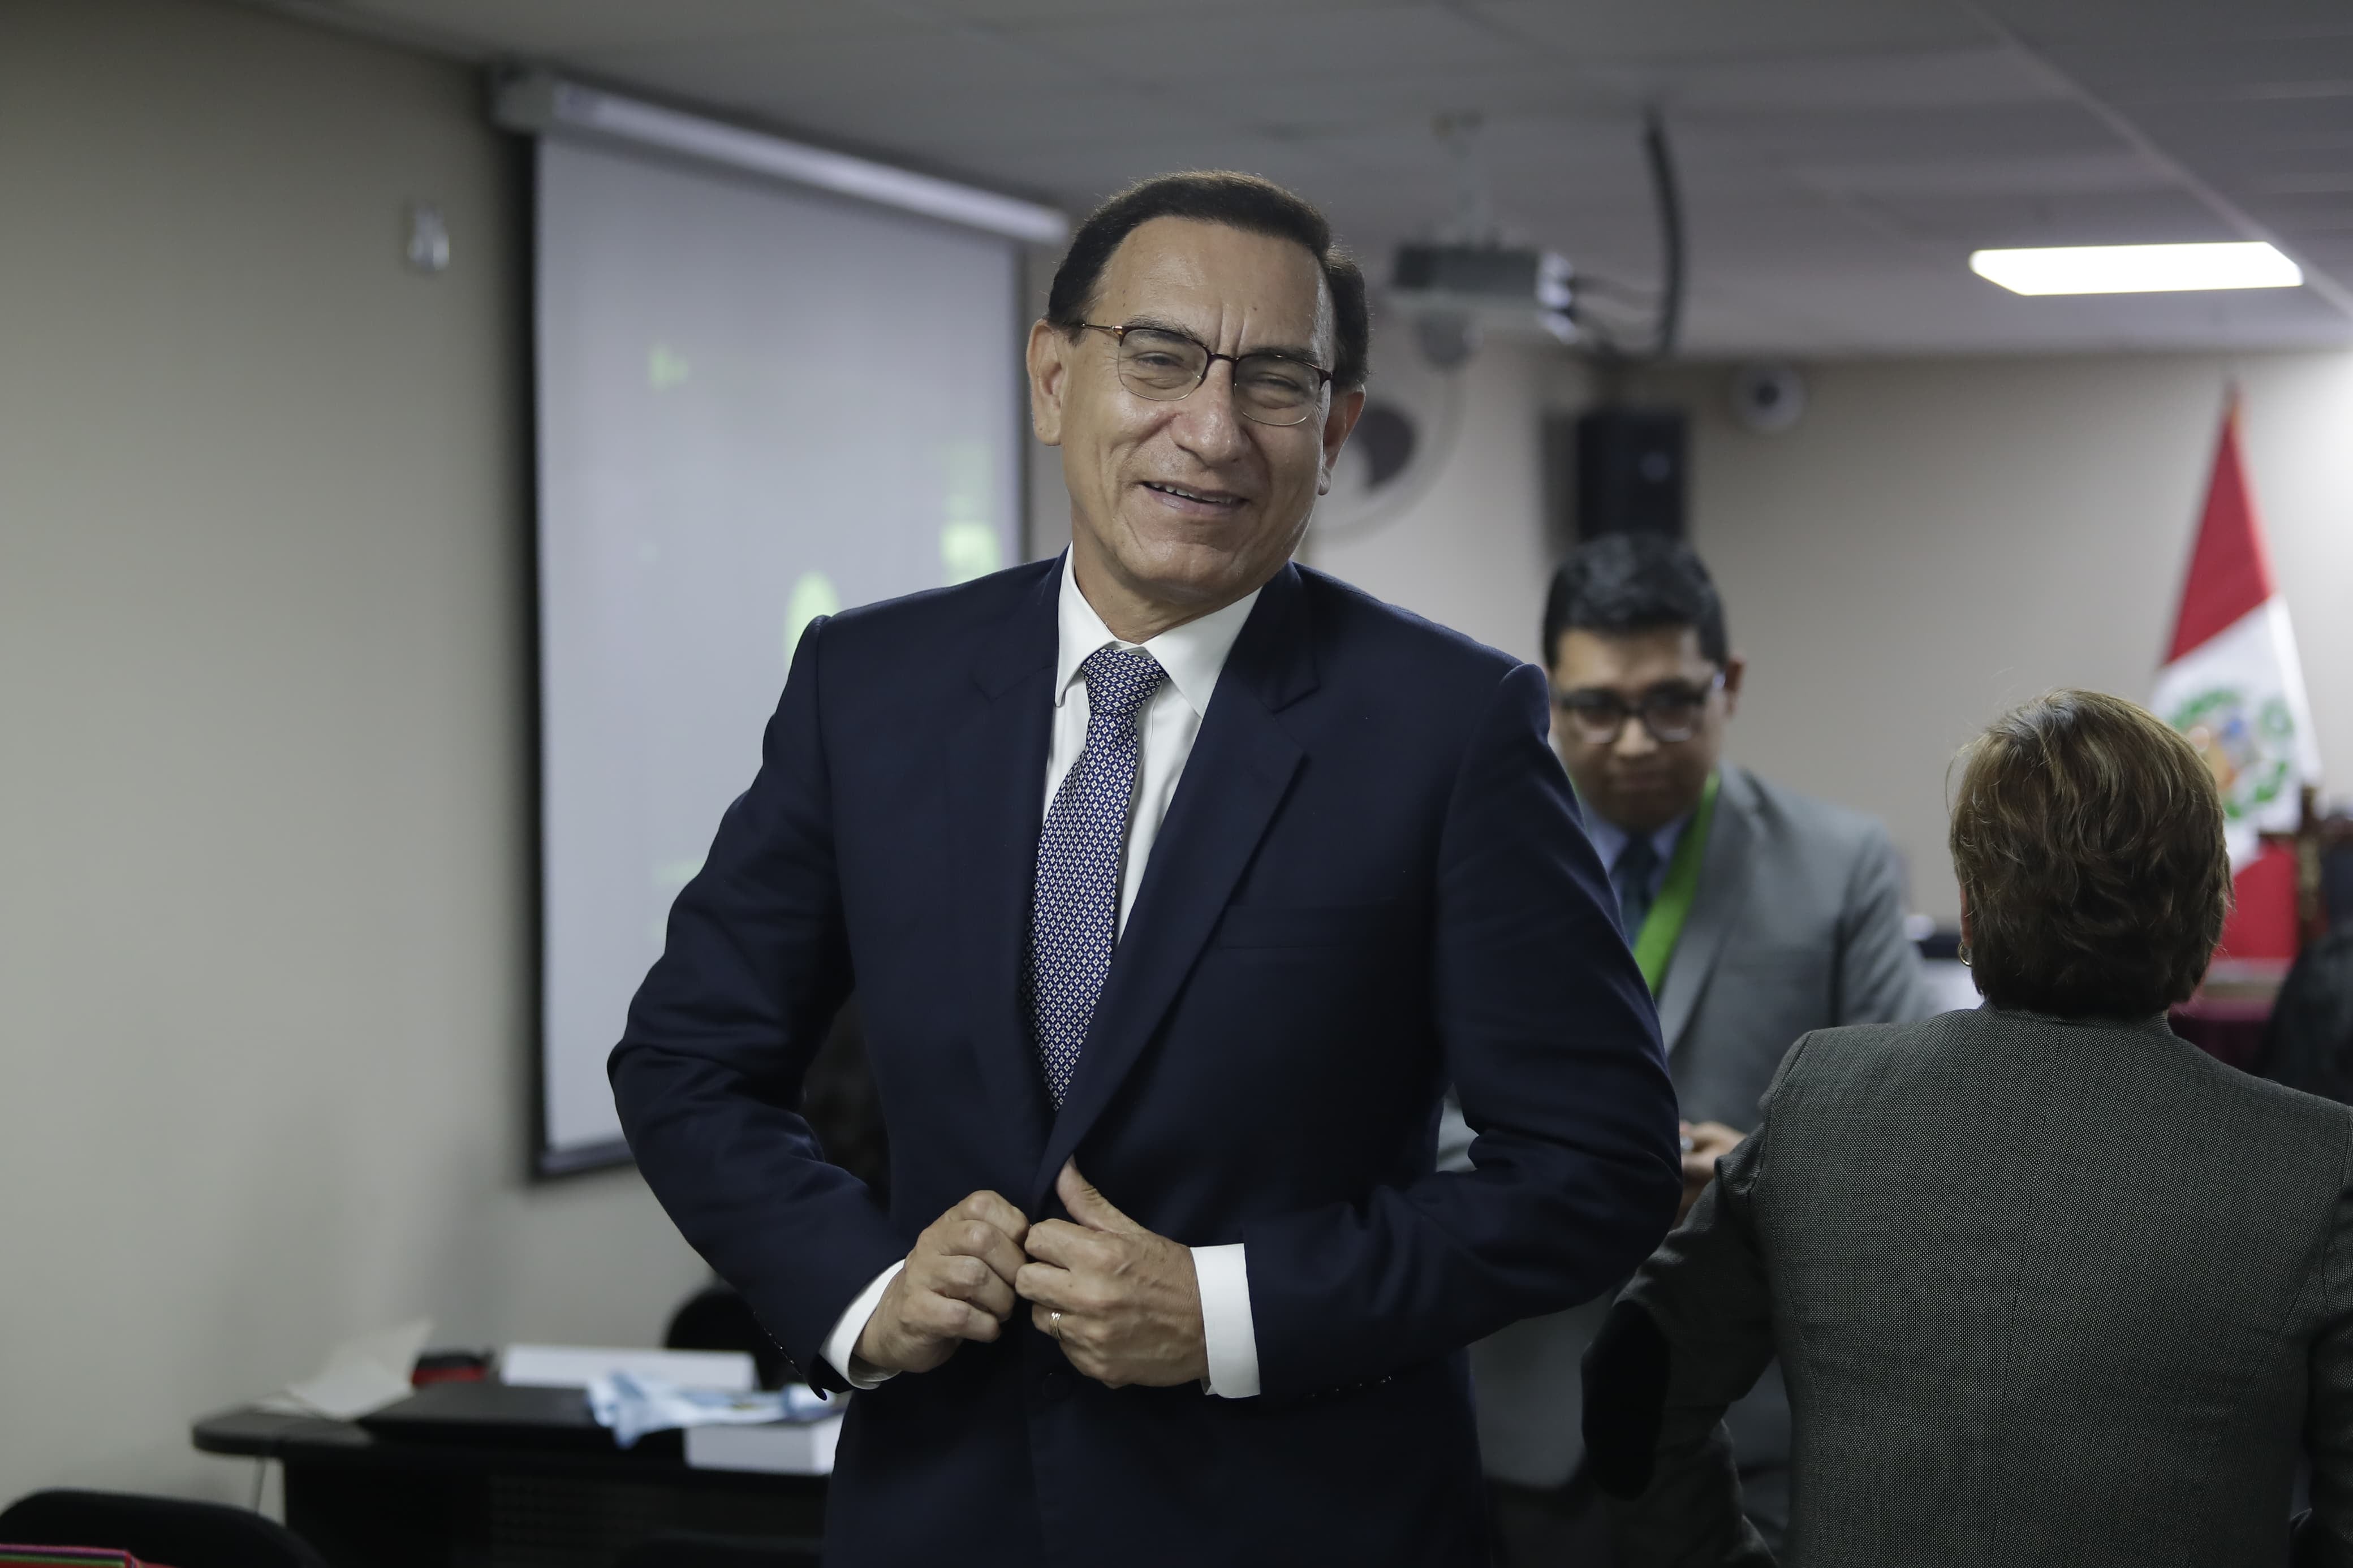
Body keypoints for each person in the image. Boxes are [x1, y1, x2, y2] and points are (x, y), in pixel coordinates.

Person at [609, 170, 1681, 1567]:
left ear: (1338, 426)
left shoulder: (1448, 727)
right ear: (1056, 378)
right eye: (1160, 358)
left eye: (1277, 381)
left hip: (1307, 1522)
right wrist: (861, 1286)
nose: (1213, 429)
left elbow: (1592, 1167)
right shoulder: (868, 687)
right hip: (943, 1513)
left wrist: (1229, 1309)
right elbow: (689, 1057)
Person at [1585, 689, 2353, 1567]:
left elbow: (1633, 1384)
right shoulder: (2318, 1168)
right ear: (2210, 909)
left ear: (1974, 908)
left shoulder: (1823, 1103)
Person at [1453, 531, 1930, 1565]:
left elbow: (1908, 1129)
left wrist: (1757, 1175)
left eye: (1672, 701)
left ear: (1731, 682)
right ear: (1546, 694)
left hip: (1752, 1422)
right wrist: (1570, 1172)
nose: (1634, 741)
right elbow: (1403, 1119)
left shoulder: (1838, 866)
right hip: (1521, 1421)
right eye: (1596, 707)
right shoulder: (1472, 863)